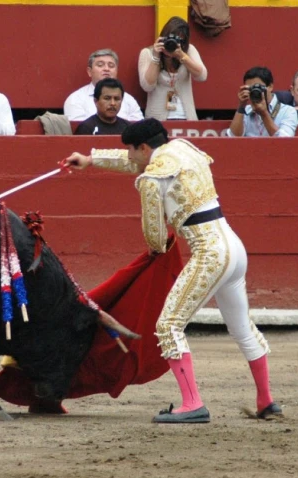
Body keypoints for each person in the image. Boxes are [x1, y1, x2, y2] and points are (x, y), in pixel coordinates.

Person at [62, 118, 282, 423]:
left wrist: (156, 250)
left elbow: (154, 234)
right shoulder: (182, 148)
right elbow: (137, 164)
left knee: (168, 325)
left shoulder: (152, 179)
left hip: (210, 254)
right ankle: (266, 401)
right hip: (234, 247)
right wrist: (90, 160)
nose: (129, 157)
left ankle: (192, 404)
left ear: (142, 147)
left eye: (131, 150)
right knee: (242, 328)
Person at [138, 16, 208, 121]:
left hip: (187, 118)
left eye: (178, 40)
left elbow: (202, 76)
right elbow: (147, 86)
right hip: (158, 121)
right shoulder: (148, 53)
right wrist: (156, 57)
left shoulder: (188, 51)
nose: (173, 44)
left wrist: (181, 56)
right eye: (170, 39)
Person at [64, 49, 144, 122]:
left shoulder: (129, 100)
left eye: (111, 65)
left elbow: (139, 128)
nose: (106, 69)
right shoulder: (76, 99)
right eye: (100, 65)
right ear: (89, 71)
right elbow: (78, 131)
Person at [226, 66, 298, 137]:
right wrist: (241, 107)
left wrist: (264, 114)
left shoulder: (288, 111)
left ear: (270, 86)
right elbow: (233, 137)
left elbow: (285, 141)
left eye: (258, 87)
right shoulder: (246, 110)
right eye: (251, 88)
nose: (255, 91)